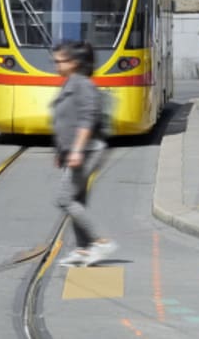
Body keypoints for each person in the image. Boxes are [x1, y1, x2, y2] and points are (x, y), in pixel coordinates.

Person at [50, 40, 117, 267]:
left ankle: (101, 241)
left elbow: (87, 120)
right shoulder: (71, 83)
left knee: (64, 199)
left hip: (88, 150)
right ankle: (83, 249)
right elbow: (66, 120)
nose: (56, 65)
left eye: (60, 61)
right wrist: (62, 151)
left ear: (75, 63)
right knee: (76, 200)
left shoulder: (83, 85)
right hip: (77, 150)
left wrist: (77, 149)